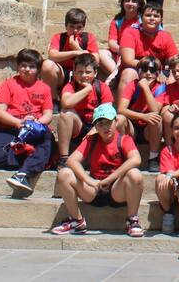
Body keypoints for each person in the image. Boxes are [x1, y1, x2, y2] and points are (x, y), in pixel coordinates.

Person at [50, 104, 145, 238]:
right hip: (94, 189)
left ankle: (132, 220)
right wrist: (88, 179)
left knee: (135, 174)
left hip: (117, 189)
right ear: (95, 127)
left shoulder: (124, 139)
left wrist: (109, 179)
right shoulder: (91, 140)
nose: (105, 127)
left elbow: (136, 159)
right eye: (100, 124)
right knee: (64, 174)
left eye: (108, 122)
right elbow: (71, 160)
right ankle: (77, 221)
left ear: (116, 122)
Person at [0, 48, 54, 194]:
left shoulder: (44, 88)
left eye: (31, 67)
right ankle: (24, 156)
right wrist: (18, 122)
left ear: (37, 69)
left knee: (47, 136)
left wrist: (36, 123)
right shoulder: (8, 84)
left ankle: (23, 173)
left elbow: (48, 114)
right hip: (11, 127)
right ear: (18, 66)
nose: (27, 70)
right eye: (23, 65)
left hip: (34, 129)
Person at [56, 53, 114, 168]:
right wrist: (87, 89)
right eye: (80, 72)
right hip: (78, 127)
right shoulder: (70, 86)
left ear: (95, 73)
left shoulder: (102, 87)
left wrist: (94, 129)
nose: (84, 76)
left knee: (119, 120)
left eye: (88, 72)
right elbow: (66, 103)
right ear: (74, 72)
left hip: (97, 127)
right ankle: (63, 158)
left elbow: (108, 113)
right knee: (65, 113)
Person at [117, 56, 167, 172]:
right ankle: (122, 155)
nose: (148, 73)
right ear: (139, 72)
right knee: (119, 119)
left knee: (156, 119)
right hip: (132, 127)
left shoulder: (160, 88)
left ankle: (153, 158)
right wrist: (143, 116)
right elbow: (121, 109)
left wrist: (145, 88)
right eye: (144, 70)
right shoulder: (132, 85)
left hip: (149, 130)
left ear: (158, 73)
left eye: (152, 70)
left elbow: (155, 110)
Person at [118, 2, 178, 90]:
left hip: (160, 73)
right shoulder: (130, 33)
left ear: (161, 19)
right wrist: (155, 71)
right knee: (128, 74)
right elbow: (128, 60)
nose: (152, 19)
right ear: (141, 18)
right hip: (136, 70)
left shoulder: (166, 36)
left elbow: (175, 60)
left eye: (156, 16)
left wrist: (172, 77)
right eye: (148, 15)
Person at [42, 7, 102, 93]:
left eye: (79, 27)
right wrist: (76, 52)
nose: (75, 30)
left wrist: (77, 48)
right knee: (47, 65)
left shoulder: (89, 37)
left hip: (82, 72)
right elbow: (52, 55)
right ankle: (54, 99)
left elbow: (95, 61)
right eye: (71, 27)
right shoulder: (58, 37)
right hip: (62, 72)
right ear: (66, 26)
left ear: (83, 27)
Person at [105, 0, 144, 78]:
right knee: (102, 53)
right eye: (127, 0)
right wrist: (124, 50)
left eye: (134, 1)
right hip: (120, 53)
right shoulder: (117, 21)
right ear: (123, 3)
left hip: (137, 54)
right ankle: (117, 75)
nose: (130, 3)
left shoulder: (143, 20)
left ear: (139, 5)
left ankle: (116, 74)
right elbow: (112, 42)